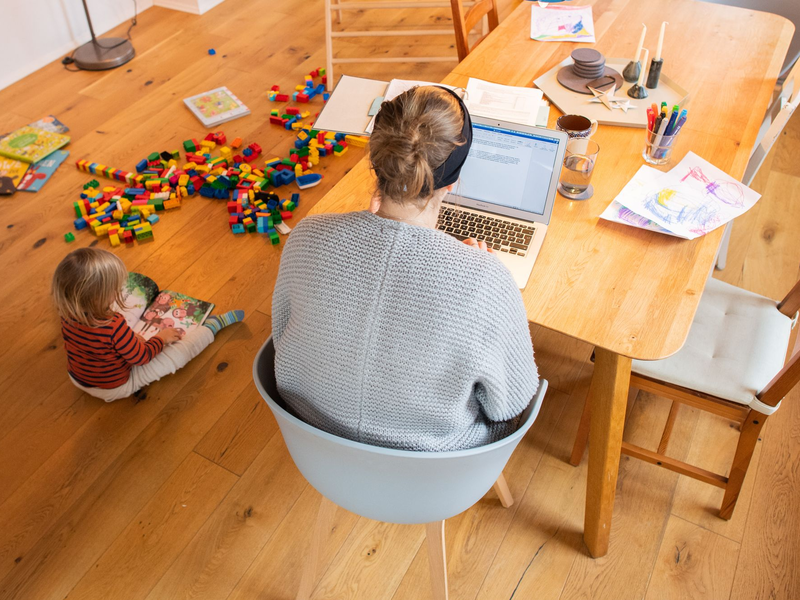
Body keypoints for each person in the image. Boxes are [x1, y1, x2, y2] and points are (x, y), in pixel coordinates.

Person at [272, 85, 539, 451]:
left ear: (376, 159)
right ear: (453, 181)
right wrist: (475, 273)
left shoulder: (306, 236)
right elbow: (511, 403)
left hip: (312, 439)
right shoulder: (487, 281)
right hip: (437, 467)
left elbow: (282, 335)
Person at [52, 247, 244, 402]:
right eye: (114, 290)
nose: (118, 291)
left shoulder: (66, 313)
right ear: (97, 298)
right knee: (177, 356)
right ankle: (211, 326)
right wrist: (161, 338)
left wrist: (128, 339)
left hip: (77, 378)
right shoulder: (113, 325)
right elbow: (141, 357)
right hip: (115, 387)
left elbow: (95, 343)